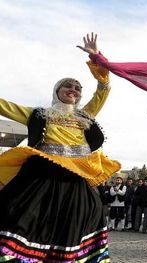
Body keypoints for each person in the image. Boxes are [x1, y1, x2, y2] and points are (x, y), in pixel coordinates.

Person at [0, 33, 121, 262]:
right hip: (42, 174)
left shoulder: (85, 115)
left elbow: (104, 89)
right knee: (19, 212)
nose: (73, 89)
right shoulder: (38, 114)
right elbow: (3, 106)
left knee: (80, 219)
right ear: (57, 91)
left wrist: (97, 59)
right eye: (67, 85)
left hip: (75, 178)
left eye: (77, 87)